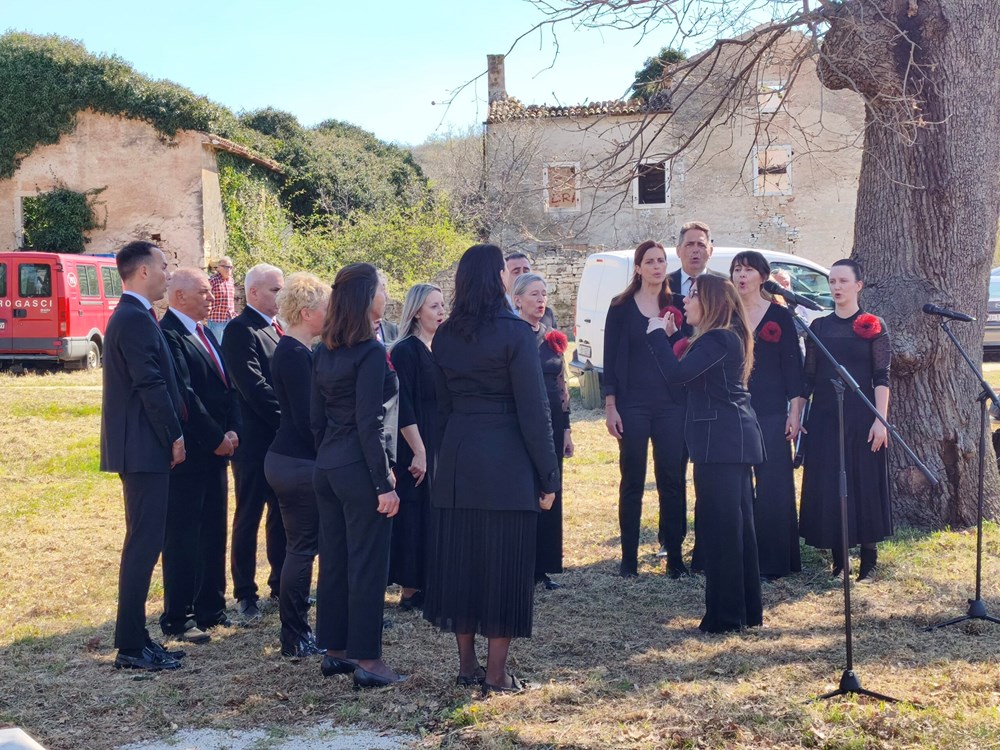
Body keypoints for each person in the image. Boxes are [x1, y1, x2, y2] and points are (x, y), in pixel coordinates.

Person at [423, 244, 559, 696]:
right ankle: (497, 674)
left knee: (461, 562)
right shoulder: (515, 332)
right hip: (507, 458)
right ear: (498, 277)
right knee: (506, 564)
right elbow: (534, 411)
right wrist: (548, 475)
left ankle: (467, 666)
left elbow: (442, 407)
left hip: (458, 455)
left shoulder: (445, 334)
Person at [647, 274, 765, 633]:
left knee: (722, 530)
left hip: (721, 443)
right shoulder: (723, 337)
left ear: (712, 302)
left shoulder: (718, 338)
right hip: (730, 440)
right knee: (735, 528)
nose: (685, 300)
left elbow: (677, 376)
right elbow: (694, 369)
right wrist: (673, 338)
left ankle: (726, 618)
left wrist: (656, 335)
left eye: (693, 294)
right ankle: (744, 611)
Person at [311, 263, 404, 688]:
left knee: (335, 559)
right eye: (382, 288)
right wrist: (383, 483)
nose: (387, 295)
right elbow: (370, 422)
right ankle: (368, 659)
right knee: (367, 564)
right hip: (360, 467)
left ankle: (336, 649)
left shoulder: (323, 350)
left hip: (329, 465)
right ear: (368, 297)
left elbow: (315, 419)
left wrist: (331, 457)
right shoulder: (368, 351)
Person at [100, 240, 186, 670]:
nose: (169, 273)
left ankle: (136, 639)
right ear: (144, 271)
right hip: (143, 446)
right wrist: (174, 435)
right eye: (164, 266)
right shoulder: (133, 318)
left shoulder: (137, 315)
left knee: (146, 541)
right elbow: (149, 384)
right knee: (143, 544)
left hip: (142, 445)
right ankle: (132, 646)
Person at [158, 268, 241, 644]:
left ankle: (211, 607)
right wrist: (214, 437)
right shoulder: (170, 335)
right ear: (180, 296)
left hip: (219, 451)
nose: (213, 298)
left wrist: (233, 430)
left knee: (212, 530)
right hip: (191, 453)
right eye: (205, 292)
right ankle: (179, 615)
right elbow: (185, 395)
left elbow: (228, 386)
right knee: (183, 534)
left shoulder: (205, 333)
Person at [799, 259, 892, 583]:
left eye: (843, 281)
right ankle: (840, 560)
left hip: (862, 417)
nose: (836, 287)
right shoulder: (819, 327)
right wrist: (796, 415)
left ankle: (869, 559)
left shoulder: (874, 325)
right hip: (825, 417)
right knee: (830, 485)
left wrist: (880, 420)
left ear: (858, 286)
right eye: (832, 281)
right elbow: (808, 379)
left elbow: (882, 377)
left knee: (863, 483)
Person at [603, 240, 689, 578]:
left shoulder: (678, 304)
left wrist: (673, 334)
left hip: (672, 405)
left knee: (672, 480)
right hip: (632, 404)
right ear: (638, 268)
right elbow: (610, 359)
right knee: (632, 480)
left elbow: (687, 351)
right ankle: (628, 559)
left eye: (661, 261)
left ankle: (675, 557)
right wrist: (611, 406)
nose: (657, 266)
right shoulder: (621, 307)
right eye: (650, 261)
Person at [264, 272, 330, 658]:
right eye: (326, 309)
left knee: (301, 548)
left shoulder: (297, 350)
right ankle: (295, 635)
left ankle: (298, 632)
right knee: (302, 549)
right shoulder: (293, 353)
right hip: (297, 462)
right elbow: (309, 420)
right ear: (307, 313)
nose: (330, 315)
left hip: (292, 460)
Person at [731, 252, 805, 580]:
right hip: (733, 410)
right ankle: (740, 554)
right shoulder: (726, 314)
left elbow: (794, 370)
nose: (741, 275)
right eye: (737, 269)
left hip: (773, 411)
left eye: (748, 270)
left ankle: (774, 560)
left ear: (763, 277)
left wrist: (795, 412)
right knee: (736, 486)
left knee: (774, 483)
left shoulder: (780, 315)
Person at [221, 263, 286, 624]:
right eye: (275, 289)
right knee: (249, 514)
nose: (281, 294)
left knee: (281, 512)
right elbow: (254, 386)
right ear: (254, 292)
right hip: (254, 441)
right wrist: (288, 419)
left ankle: (281, 583)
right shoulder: (240, 329)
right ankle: (245, 593)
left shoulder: (277, 327)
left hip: (279, 441)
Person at [511, 272, 573, 590]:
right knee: (527, 491)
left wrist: (567, 429)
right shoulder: (512, 336)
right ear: (517, 300)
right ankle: (521, 564)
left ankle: (543, 567)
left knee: (551, 489)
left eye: (544, 294)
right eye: (534, 294)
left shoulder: (551, 337)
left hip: (553, 424)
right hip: (523, 425)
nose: (541, 299)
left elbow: (562, 383)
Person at [387, 283, 446, 611]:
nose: (441, 311)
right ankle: (410, 589)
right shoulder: (405, 350)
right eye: (434, 306)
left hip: (439, 440)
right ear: (417, 311)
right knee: (414, 513)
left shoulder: (440, 347)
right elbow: (403, 405)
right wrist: (419, 451)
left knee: (434, 512)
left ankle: (432, 580)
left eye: (442, 305)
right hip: (414, 442)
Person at [504, 252, 557, 329]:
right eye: (516, 272)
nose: (522, 275)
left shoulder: (547, 315)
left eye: (526, 271)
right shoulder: (496, 312)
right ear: (505, 276)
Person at [206, 257, 236, 343]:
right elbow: (205, 298)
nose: (229, 269)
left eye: (230, 267)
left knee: (228, 345)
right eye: (226, 267)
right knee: (217, 346)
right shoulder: (212, 280)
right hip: (217, 320)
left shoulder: (231, 281)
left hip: (230, 319)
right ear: (219, 268)